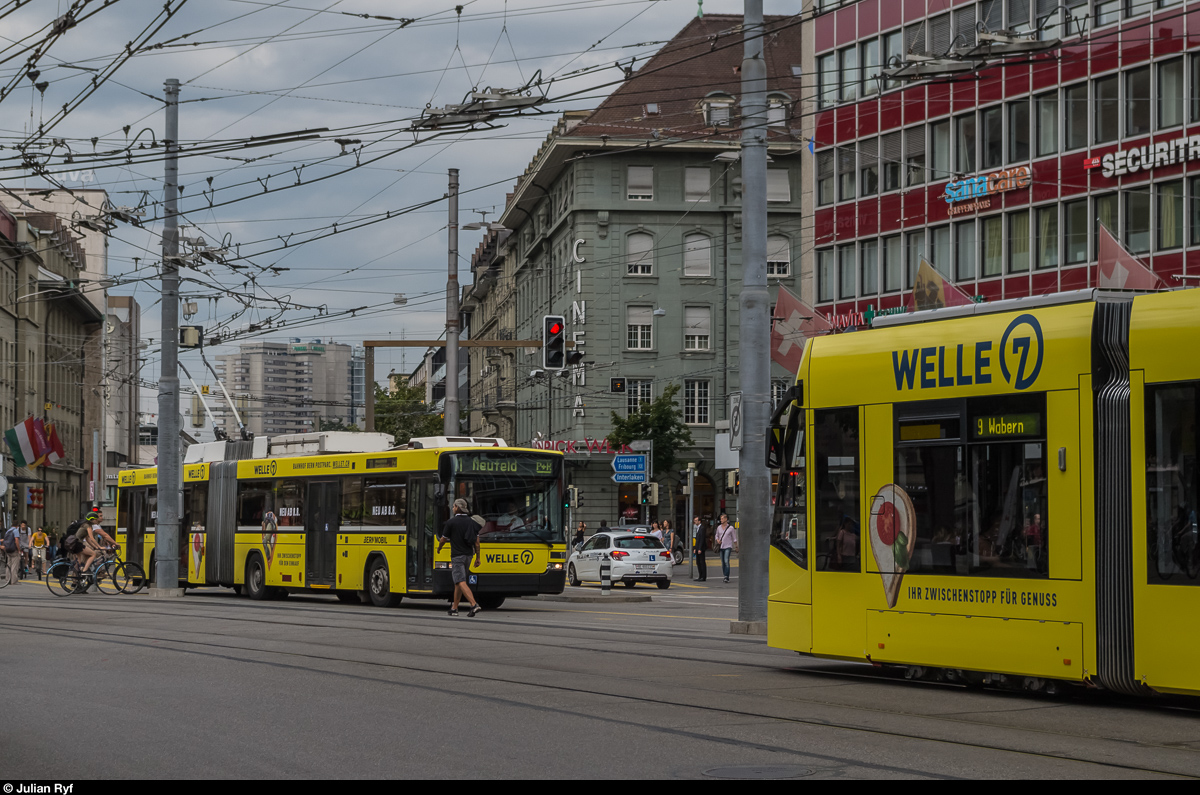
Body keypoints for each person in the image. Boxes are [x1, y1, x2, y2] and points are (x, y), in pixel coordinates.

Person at [437, 498, 482, 617]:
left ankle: (474, 604)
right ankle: (454, 608)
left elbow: (443, 539)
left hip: (457, 557)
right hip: (469, 556)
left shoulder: (451, 522)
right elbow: (477, 543)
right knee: (458, 582)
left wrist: (439, 548)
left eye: (453, 506)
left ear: (457, 507)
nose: (452, 508)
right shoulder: (472, 522)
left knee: (460, 581)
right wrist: (478, 557)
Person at [715, 513, 738, 583]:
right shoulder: (719, 527)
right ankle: (724, 574)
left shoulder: (731, 528)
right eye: (720, 519)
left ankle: (726, 577)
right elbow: (716, 536)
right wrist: (718, 540)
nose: (721, 520)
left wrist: (736, 546)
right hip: (721, 547)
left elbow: (734, 538)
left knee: (726, 561)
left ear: (726, 519)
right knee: (723, 563)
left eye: (722, 518)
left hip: (728, 546)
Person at [692, 516, 708, 581]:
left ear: (699, 521)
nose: (695, 521)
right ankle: (700, 575)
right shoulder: (698, 528)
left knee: (702, 562)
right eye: (694, 520)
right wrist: (695, 548)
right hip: (698, 547)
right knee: (698, 562)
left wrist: (700, 548)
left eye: (696, 520)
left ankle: (703, 576)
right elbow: (697, 539)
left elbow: (702, 539)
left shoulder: (702, 528)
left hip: (701, 548)